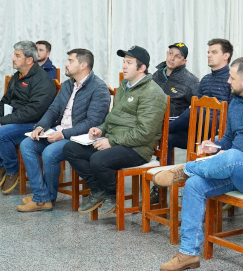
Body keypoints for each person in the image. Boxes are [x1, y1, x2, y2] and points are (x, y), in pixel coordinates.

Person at [153, 57, 243, 271]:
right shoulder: (237, 100)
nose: (228, 81)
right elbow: (228, 138)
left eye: (232, 77)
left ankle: (185, 169)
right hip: (233, 166)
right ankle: (188, 253)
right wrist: (215, 146)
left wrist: (232, 154)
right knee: (195, 185)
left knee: (232, 157)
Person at [63, 46, 167, 215]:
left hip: (137, 148)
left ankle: (112, 193)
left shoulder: (152, 93)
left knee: (98, 160)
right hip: (116, 140)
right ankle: (98, 190)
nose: (124, 66)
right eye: (124, 62)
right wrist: (100, 130)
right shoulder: (125, 87)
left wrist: (111, 141)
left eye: (129, 63)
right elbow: (113, 118)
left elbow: (145, 132)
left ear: (142, 68)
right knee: (70, 149)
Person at [17, 49, 110, 212]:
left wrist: (63, 134)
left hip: (79, 137)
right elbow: (53, 110)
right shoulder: (68, 84)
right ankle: (42, 195)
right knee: (27, 144)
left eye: (70, 61)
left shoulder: (99, 88)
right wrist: (40, 127)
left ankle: (43, 198)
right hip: (59, 130)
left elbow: (93, 122)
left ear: (83, 65)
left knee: (49, 153)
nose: (66, 64)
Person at [0, 41, 56, 195]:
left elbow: (34, 111)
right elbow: (5, 102)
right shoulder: (17, 77)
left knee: (0, 133)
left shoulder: (43, 81)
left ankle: (11, 170)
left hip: (34, 124)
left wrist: (3, 121)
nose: (12, 59)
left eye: (17, 56)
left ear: (29, 60)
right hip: (14, 120)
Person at [167, 38, 233, 155]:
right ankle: (164, 172)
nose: (209, 55)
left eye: (214, 52)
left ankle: (164, 128)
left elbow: (232, 113)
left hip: (219, 133)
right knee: (168, 138)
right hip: (200, 131)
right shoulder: (205, 79)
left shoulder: (232, 79)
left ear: (226, 55)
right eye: (208, 52)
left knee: (193, 111)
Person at [152, 42, 200, 144]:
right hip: (155, 120)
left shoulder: (191, 80)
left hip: (176, 126)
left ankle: (163, 160)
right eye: (170, 53)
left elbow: (199, 106)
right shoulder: (156, 75)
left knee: (165, 138)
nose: (172, 58)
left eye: (177, 56)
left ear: (184, 61)